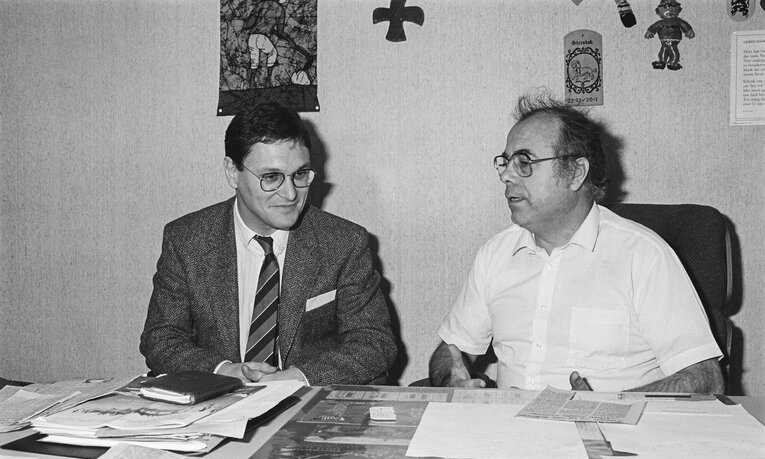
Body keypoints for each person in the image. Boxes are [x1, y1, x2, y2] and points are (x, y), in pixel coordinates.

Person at [428, 94, 724, 393]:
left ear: (575, 173)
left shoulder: (643, 256)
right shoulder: (495, 254)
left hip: (613, 436)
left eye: (524, 162)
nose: (506, 175)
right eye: (505, 162)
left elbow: (705, 379)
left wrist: (607, 407)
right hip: (510, 433)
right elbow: (450, 352)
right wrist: (452, 379)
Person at [140, 102, 397, 386]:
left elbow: (374, 342)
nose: (290, 194)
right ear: (232, 172)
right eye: (271, 177)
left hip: (306, 404)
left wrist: (296, 378)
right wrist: (225, 371)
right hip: (216, 404)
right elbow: (161, 338)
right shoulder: (187, 240)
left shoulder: (343, 242)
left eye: (300, 174)